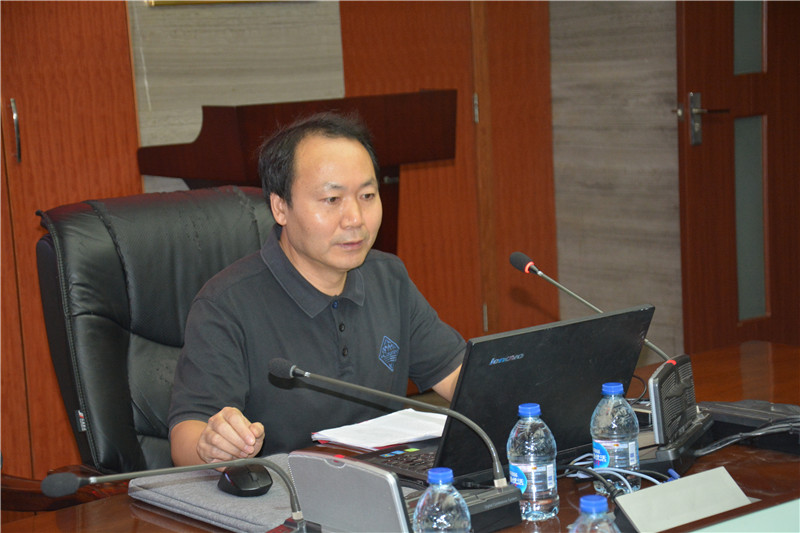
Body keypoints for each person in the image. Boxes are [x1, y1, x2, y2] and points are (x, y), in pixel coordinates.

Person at [168, 112, 465, 466]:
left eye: (367, 195)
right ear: (280, 207)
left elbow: (460, 378)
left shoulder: (389, 277)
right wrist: (212, 445)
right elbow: (187, 437)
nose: (355, 219)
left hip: (387, 482)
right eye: (332, 200)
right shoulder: (225, 304)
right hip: (287, 492)